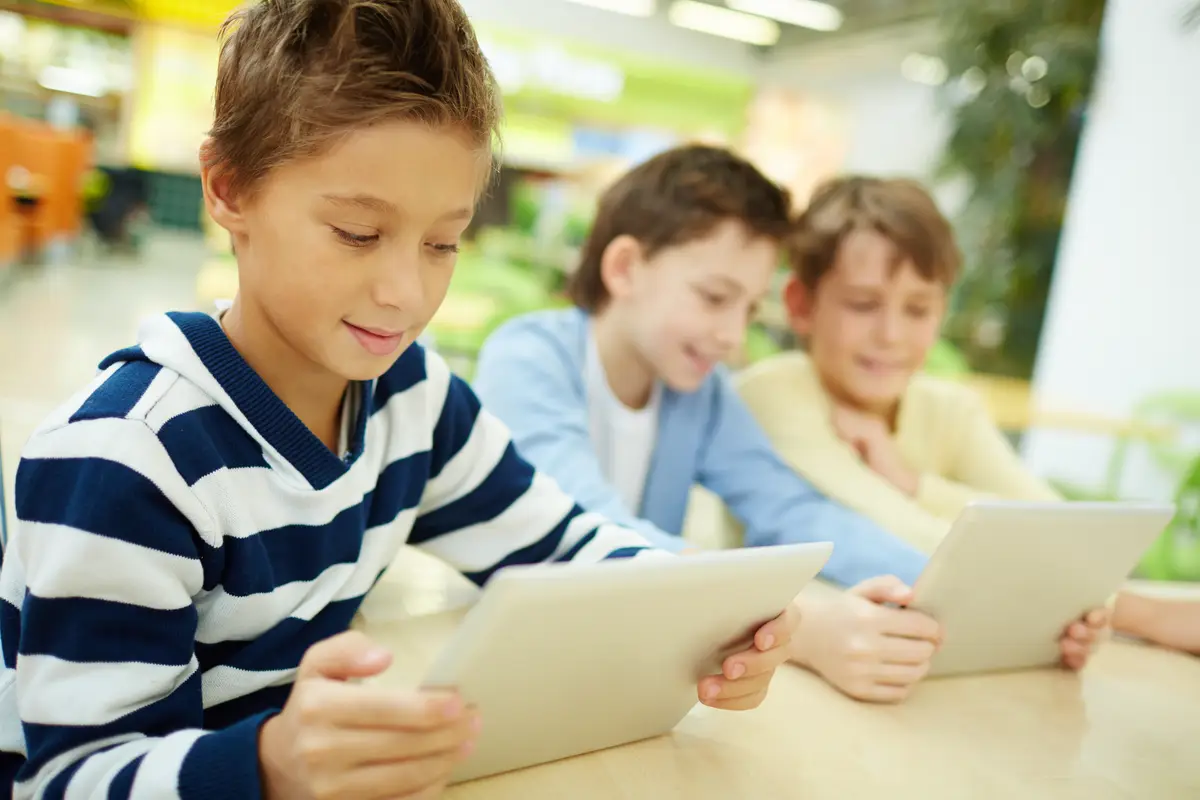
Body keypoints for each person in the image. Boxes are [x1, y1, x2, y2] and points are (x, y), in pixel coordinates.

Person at [0, 4, 799, 798]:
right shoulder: (126, 461)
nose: (405, 292)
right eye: (356, 232)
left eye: (443, 242)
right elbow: (73, 779)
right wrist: (271, 762)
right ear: (228, 188)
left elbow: (563, 545)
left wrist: (713, 619)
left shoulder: (411, 398)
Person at [471, 147, 1106, 705]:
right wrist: (805, 626)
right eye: (715, 298)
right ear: (626, 269)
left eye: (747, 308)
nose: (731, 335)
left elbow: (798, 511)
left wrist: (953, 591)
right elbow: (585, 528)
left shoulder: (703, 394)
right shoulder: (528, 357)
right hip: (505, 665)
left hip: (625, 669)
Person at [735, 174, 1196, 658]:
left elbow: (1061, 524)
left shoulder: (950, 408)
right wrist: (1126, 610)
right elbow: (892, 530)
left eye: (917, 309)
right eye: (863, 304)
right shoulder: (776, 392)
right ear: (801, 306)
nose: (890, 333)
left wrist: (911, 482)